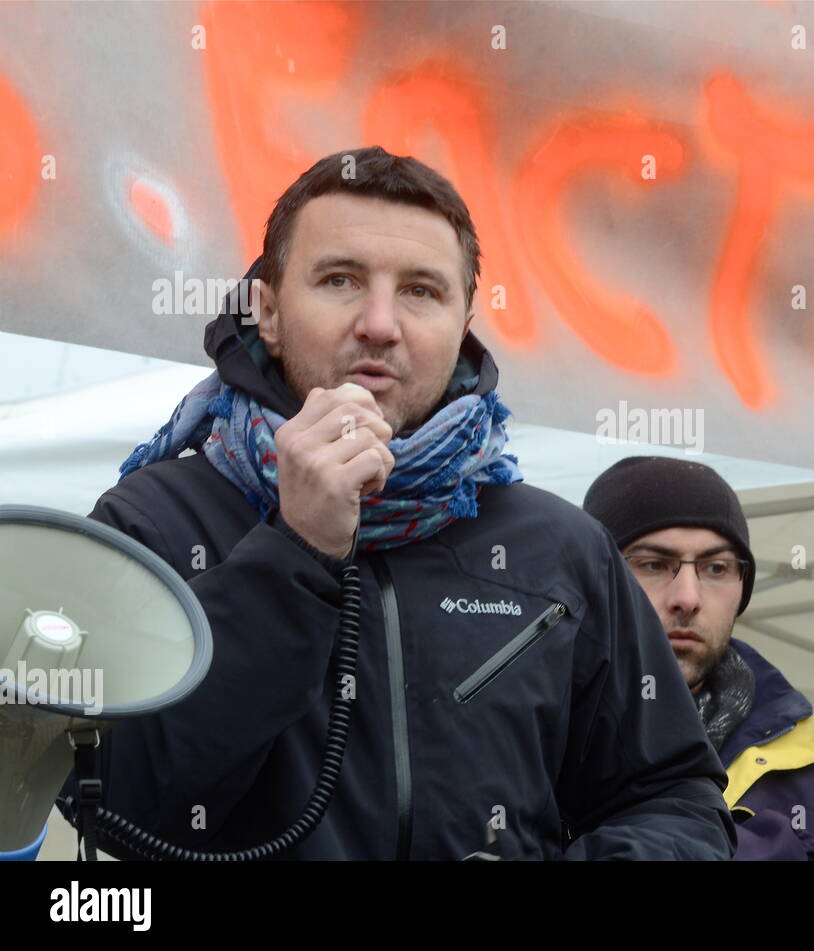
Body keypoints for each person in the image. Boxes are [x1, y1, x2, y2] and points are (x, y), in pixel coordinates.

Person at [56, 147, 734, 860]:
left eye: (421, 291)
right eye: (340, 279)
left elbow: (677, 801)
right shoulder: (154, 520)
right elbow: (115, 804)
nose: (380, 323)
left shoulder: (559, 547)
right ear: (269, 311)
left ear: (463, 325)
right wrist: (295, 551)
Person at [583, 456, 814, 860]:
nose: (688, 598)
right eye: (654, 564)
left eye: (716, 568)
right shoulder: (534, 732)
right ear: (592, 579)